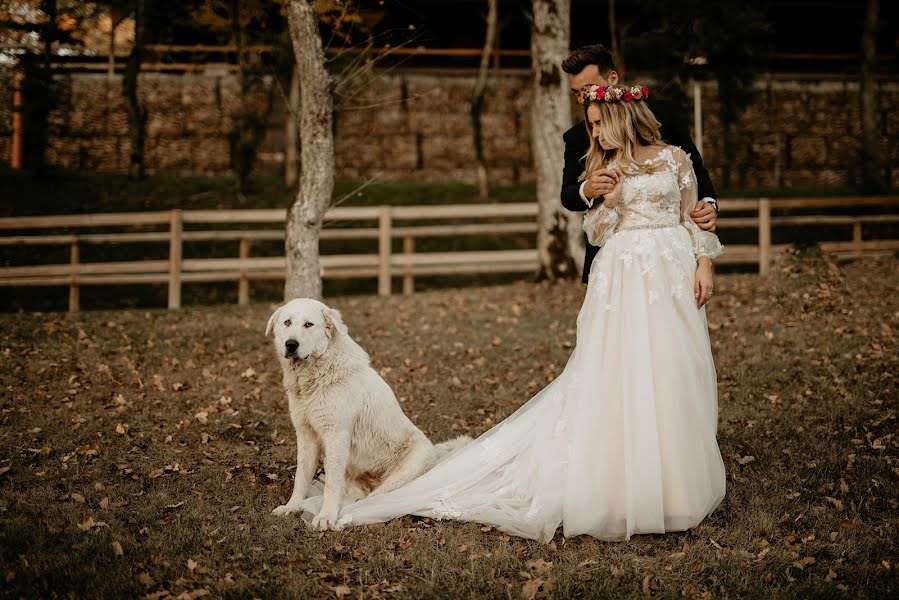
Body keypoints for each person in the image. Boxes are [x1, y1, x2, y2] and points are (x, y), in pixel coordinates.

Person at [290, 82, 726, 543]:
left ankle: (674, 489)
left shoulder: (676, 159)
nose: (594, 134)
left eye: (598, 124)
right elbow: (595, 232)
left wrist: (704, 263)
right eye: (591, 126)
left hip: (671, 274)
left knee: (672, 371)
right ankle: (624, 487)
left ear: (621, 116)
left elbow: (691, 212)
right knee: (621, 375)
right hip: (621, 278)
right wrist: (607, 202)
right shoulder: (605, 168)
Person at [560, 43, 719, 283]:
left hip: (670, 254)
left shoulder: (664, 116)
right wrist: (588, 189)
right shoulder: (578, 136)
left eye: (588, 88)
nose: (583, 98)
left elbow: (693, 168)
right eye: (577, 93)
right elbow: (567, 195)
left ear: (612, 78)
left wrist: (708, 203)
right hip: (613, 259)